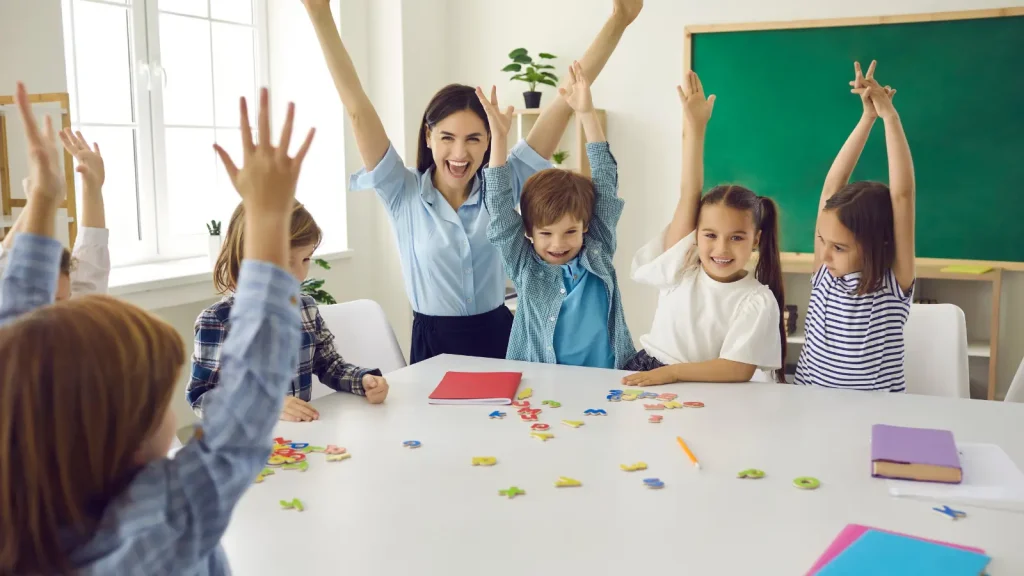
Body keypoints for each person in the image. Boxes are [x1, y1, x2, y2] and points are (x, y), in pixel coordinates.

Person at [0, 84, 312, 574]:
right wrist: (268, 215)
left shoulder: (23, 493)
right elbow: (247, 402)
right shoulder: (159, 527)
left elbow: (15, 352)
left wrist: (41, 200)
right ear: (128, 432)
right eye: (160, 398)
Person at [304, 0, 644, 363]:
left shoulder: (505, 180)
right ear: (429, 136)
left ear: (490, 141)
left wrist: (619, 21)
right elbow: (357, 109)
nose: (460, 153)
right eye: (447, 137)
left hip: (498, 335)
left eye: (473, 139)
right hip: (434, 341)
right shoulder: (400, 190)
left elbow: (566, 99)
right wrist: (321, 15)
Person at [623, 71, 786, 386]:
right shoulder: (681, 267)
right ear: (694, 236)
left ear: (756, 240)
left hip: (702, 386)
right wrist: (695, 129)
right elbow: (689, 193)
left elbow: (736, 370)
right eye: (710, 235)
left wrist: (672, 373)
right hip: (649, 371)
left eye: (737, 238)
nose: (721, 248)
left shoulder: (756, 299)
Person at [481, 61, 634, 368]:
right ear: (529, 231)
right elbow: (498, 207)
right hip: (542, 384)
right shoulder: (525, 264)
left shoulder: (598, 247)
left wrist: (587, 114)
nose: (558, 244)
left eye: (570, 232)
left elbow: (604, 177)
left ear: (586, 226)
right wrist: (498, 139)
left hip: (608, 380)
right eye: (545, 234)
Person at [188, 201, 389, 421]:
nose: (298, 273)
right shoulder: (218, 320)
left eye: (306, 259)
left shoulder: (306, 309)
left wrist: (362, 380)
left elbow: (329, 365)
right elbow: (201, 397)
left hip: (301, 441)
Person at [795, 61, 916, 392]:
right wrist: (867, 118)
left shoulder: (893, 284)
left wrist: (890, 117)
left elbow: (903, 196)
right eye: (823, 241)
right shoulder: (824, 273)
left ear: (878, 244)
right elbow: (832, 184)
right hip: (807, 403)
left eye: (838, 247)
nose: (825, 253)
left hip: (872, 414)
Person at [0, 128, 110, 300]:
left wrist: (93, 187)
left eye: (62, 299)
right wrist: (37, 202)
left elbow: (89, 280)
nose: (56, 311)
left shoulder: (70, 317)